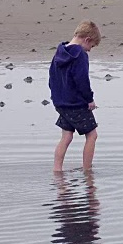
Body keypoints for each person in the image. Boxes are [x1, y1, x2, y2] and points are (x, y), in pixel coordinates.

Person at [49, 20, 100, 171]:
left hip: (60, 103)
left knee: (66, 137)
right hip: (75, 104)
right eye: (92, 46)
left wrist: (57, 99)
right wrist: (89, 99)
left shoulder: (59, 52)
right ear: (87, 40)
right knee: (92, 135)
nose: (90, 50)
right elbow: (82, 80)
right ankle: (87, 171)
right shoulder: (80, 55)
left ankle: (57, 170)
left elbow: (51, 79)